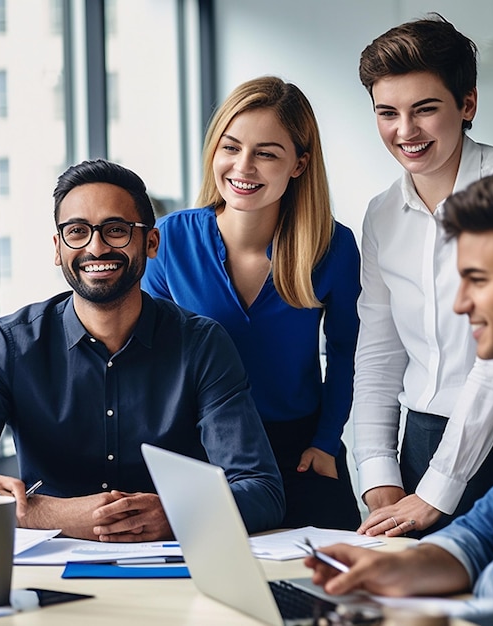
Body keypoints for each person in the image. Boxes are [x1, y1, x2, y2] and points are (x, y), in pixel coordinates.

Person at [306, 164, 493, 626]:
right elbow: (491, 526)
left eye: (477, 280)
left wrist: (429, 615)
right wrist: (401, 567)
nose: (460, 305)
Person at [0, 158, 285, 540]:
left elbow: (261, 490)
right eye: (77, 231)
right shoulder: (7, 345)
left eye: (116, 230)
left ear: (151, 242)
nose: (96, 247)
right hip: (47, 575)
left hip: (178, 574)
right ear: (58, 248)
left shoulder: (202, 345)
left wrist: (175, 514)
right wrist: (47, 513)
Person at [142, 76, 361, 530]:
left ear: (298, 164)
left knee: (329, 586)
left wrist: (325, 440)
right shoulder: (169, 241)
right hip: (204, 449)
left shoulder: (333, 247)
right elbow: (150, 357)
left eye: (266, 153)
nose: (243, 167)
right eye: (231, 147)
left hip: (302, 450)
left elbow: (346, 353)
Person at [353, 14, 493, 538]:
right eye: (388, 112)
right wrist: (378, 473)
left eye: (424, 109)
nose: (404, 131)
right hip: (422, 441)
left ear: (467, 104)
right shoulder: (381, 213)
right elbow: (379, 351)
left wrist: (437, 489)